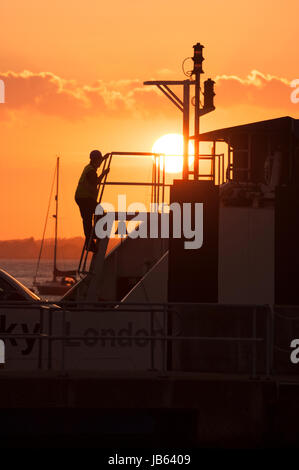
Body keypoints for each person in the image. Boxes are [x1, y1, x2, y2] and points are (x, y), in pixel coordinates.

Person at [75, 150, 109, 252]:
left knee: (87, 220)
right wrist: (104, 173)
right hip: (85, 198)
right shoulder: (90, 171)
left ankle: (90, 243)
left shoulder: (90, 167)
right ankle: (94, 234)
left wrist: (104, 159)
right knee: (98, 212)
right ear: (95, 160)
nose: (100, 163)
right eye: (99, 160)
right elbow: (96, 182)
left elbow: (97, 163)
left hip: (82, 198)